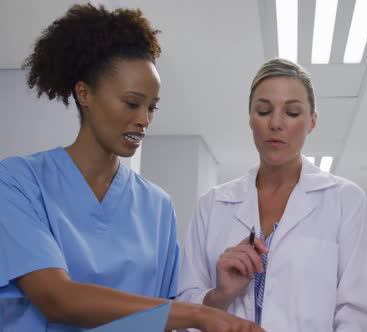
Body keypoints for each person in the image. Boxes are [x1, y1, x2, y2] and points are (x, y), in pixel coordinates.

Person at [0, 4, 262, 331]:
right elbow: (56, 298)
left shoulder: (157, 206)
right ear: (85, 94)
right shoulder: (18, 183)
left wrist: (218, 297)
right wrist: (200, 315)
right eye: (131, 103)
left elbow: (166, 313)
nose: (144, 119)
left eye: (151, 107)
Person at [177, 58, 367, 331]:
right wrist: (219, 296)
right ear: (250, 119)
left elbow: (359, 313)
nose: (275, 123)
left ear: (312, 122)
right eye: (263, 111)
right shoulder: (213, 205)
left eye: (292, 113)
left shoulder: (346, 201)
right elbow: (185, 309)